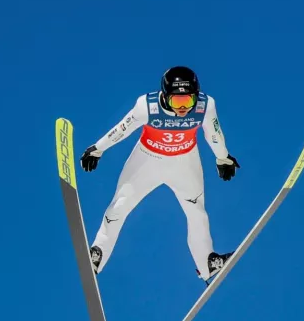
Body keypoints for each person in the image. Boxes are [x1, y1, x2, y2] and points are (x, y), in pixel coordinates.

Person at [79, 66, 239, 282]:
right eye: (177, 102)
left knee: (197, 213)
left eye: (188, 101)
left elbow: (214, 134)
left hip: (185, 163)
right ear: (164, 96)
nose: (183, 108)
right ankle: (98, 253)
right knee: (119, 206)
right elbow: (123, 128)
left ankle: (206, 262)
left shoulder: (205, 106)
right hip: (147, 161)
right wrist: (98, 148)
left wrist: (222, 157)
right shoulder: (147, 106)